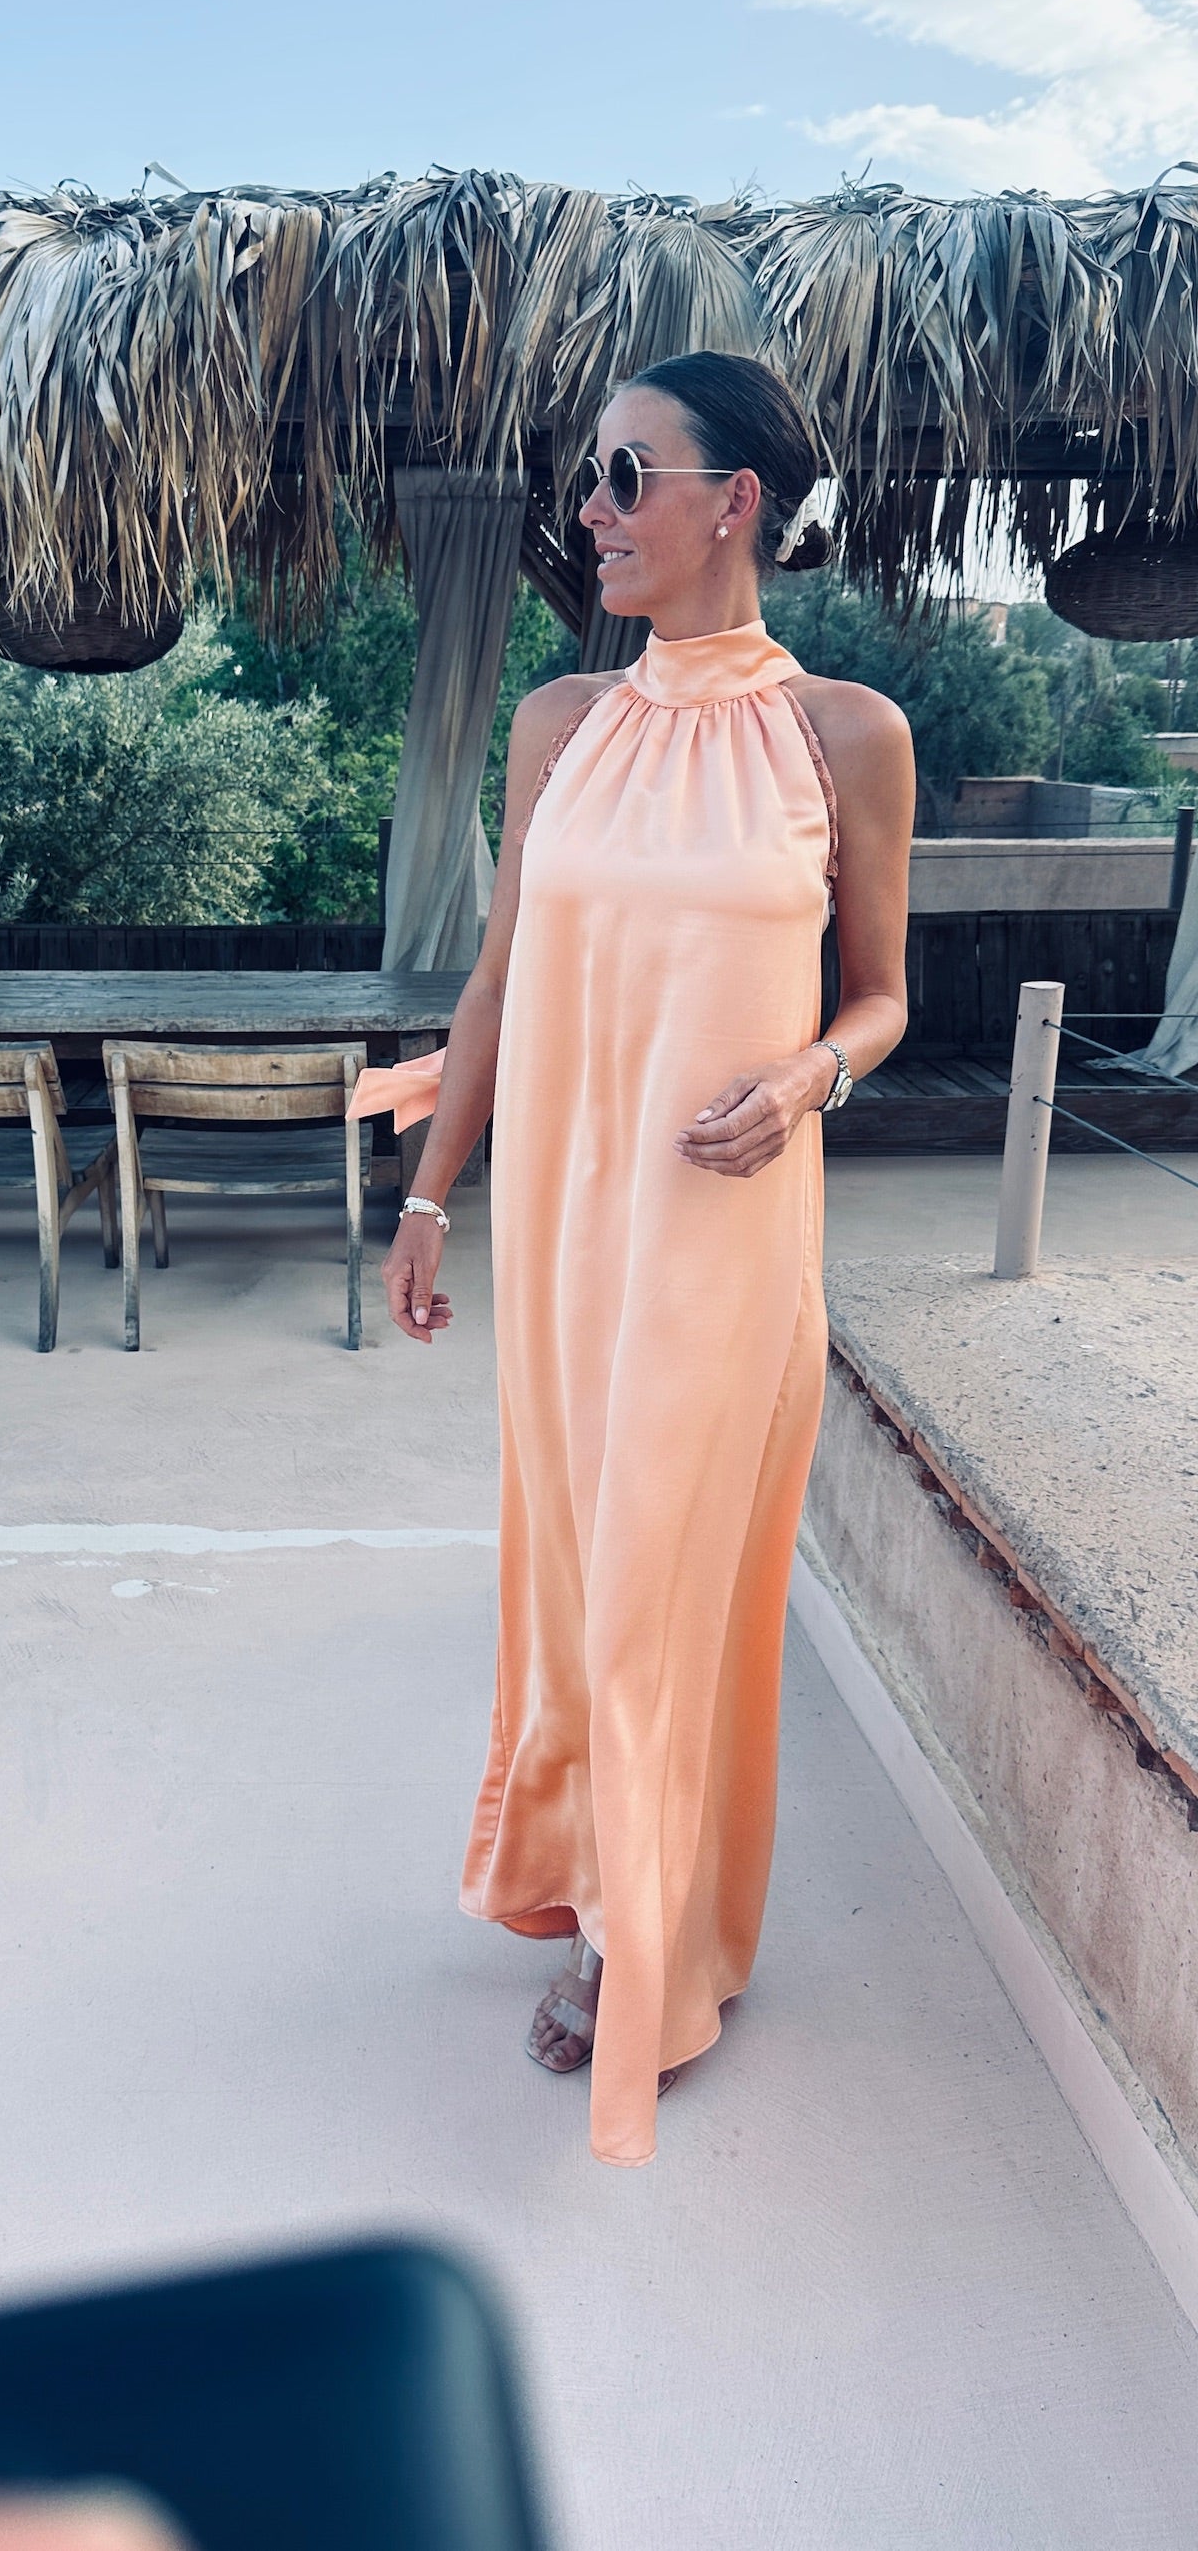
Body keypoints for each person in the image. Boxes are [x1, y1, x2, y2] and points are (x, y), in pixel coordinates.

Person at [375, 351, 913, 2168]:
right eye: (589, 476)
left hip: (727, 1236)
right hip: (565, 1229)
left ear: (733, 500)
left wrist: (811, 1075)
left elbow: (882, 994)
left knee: (672, 1582)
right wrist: (432, 1193)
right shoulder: (560, 724)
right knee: (575, 1570)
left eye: (627, 474)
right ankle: (593, 1875)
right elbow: (498, 980)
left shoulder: (847, 734)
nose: (591, 508)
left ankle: (644, 1940)